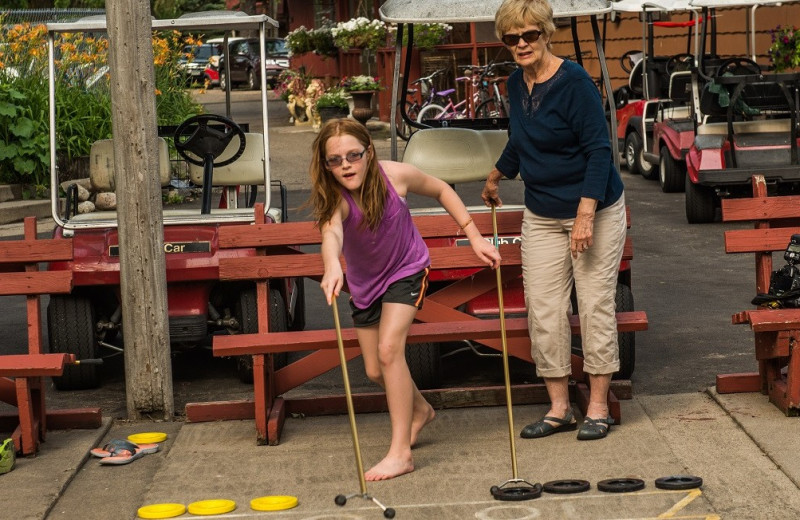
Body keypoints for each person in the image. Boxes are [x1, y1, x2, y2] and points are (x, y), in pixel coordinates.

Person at [310, 118, 501, 480]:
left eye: (353, 155)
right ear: (325, 165)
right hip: (366, 284)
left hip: (406, 269)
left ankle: (400, 453)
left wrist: (474, 236)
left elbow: (442, 189)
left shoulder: (395, 176)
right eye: (335, 160)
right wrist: (332, 265)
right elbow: (331, 233)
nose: (346, 165)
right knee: (373, 369)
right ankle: (421, 411)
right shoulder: (334, 197)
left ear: (369, 152)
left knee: (389, 351)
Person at [482, 0, 627, 441]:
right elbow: (521, 138)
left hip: (593, 208)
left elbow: (599, 150)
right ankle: (560, 408)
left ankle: (598, 406)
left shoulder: (575, 82)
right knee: (544, 311)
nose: (522, 43)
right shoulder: (514, 82)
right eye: (512, 38)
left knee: (594, 303)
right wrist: (496, 174)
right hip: (542, 212)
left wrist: (585, 214)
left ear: (547, 33)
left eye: (530, 34)